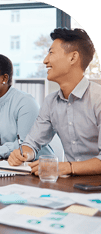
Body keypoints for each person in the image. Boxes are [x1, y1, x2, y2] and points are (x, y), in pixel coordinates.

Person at [8, 28, 101, 176]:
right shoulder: (51, 102)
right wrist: (24, 154)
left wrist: (67, 167)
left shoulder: (98, 99)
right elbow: (32, 143)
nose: (45, 60)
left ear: (73, 58)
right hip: (73, 185)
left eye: (51, 53)